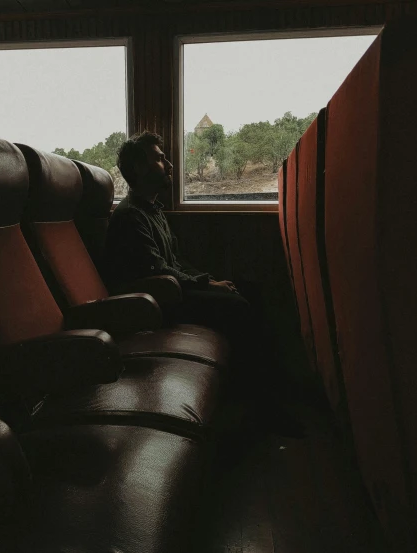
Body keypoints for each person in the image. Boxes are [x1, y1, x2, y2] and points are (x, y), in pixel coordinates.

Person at [105, 131, 305, 438]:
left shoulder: (152, 210)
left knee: (250, 290)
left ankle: (273, 392)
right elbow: (160, 272)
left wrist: (210, 281)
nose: (169, 164)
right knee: (237, 307)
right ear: (140, 169)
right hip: (159, 305)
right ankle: (264, 409)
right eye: (160, 158)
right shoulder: (130, 217)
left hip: (173, 289)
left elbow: (177, 262)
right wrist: (209, 286)